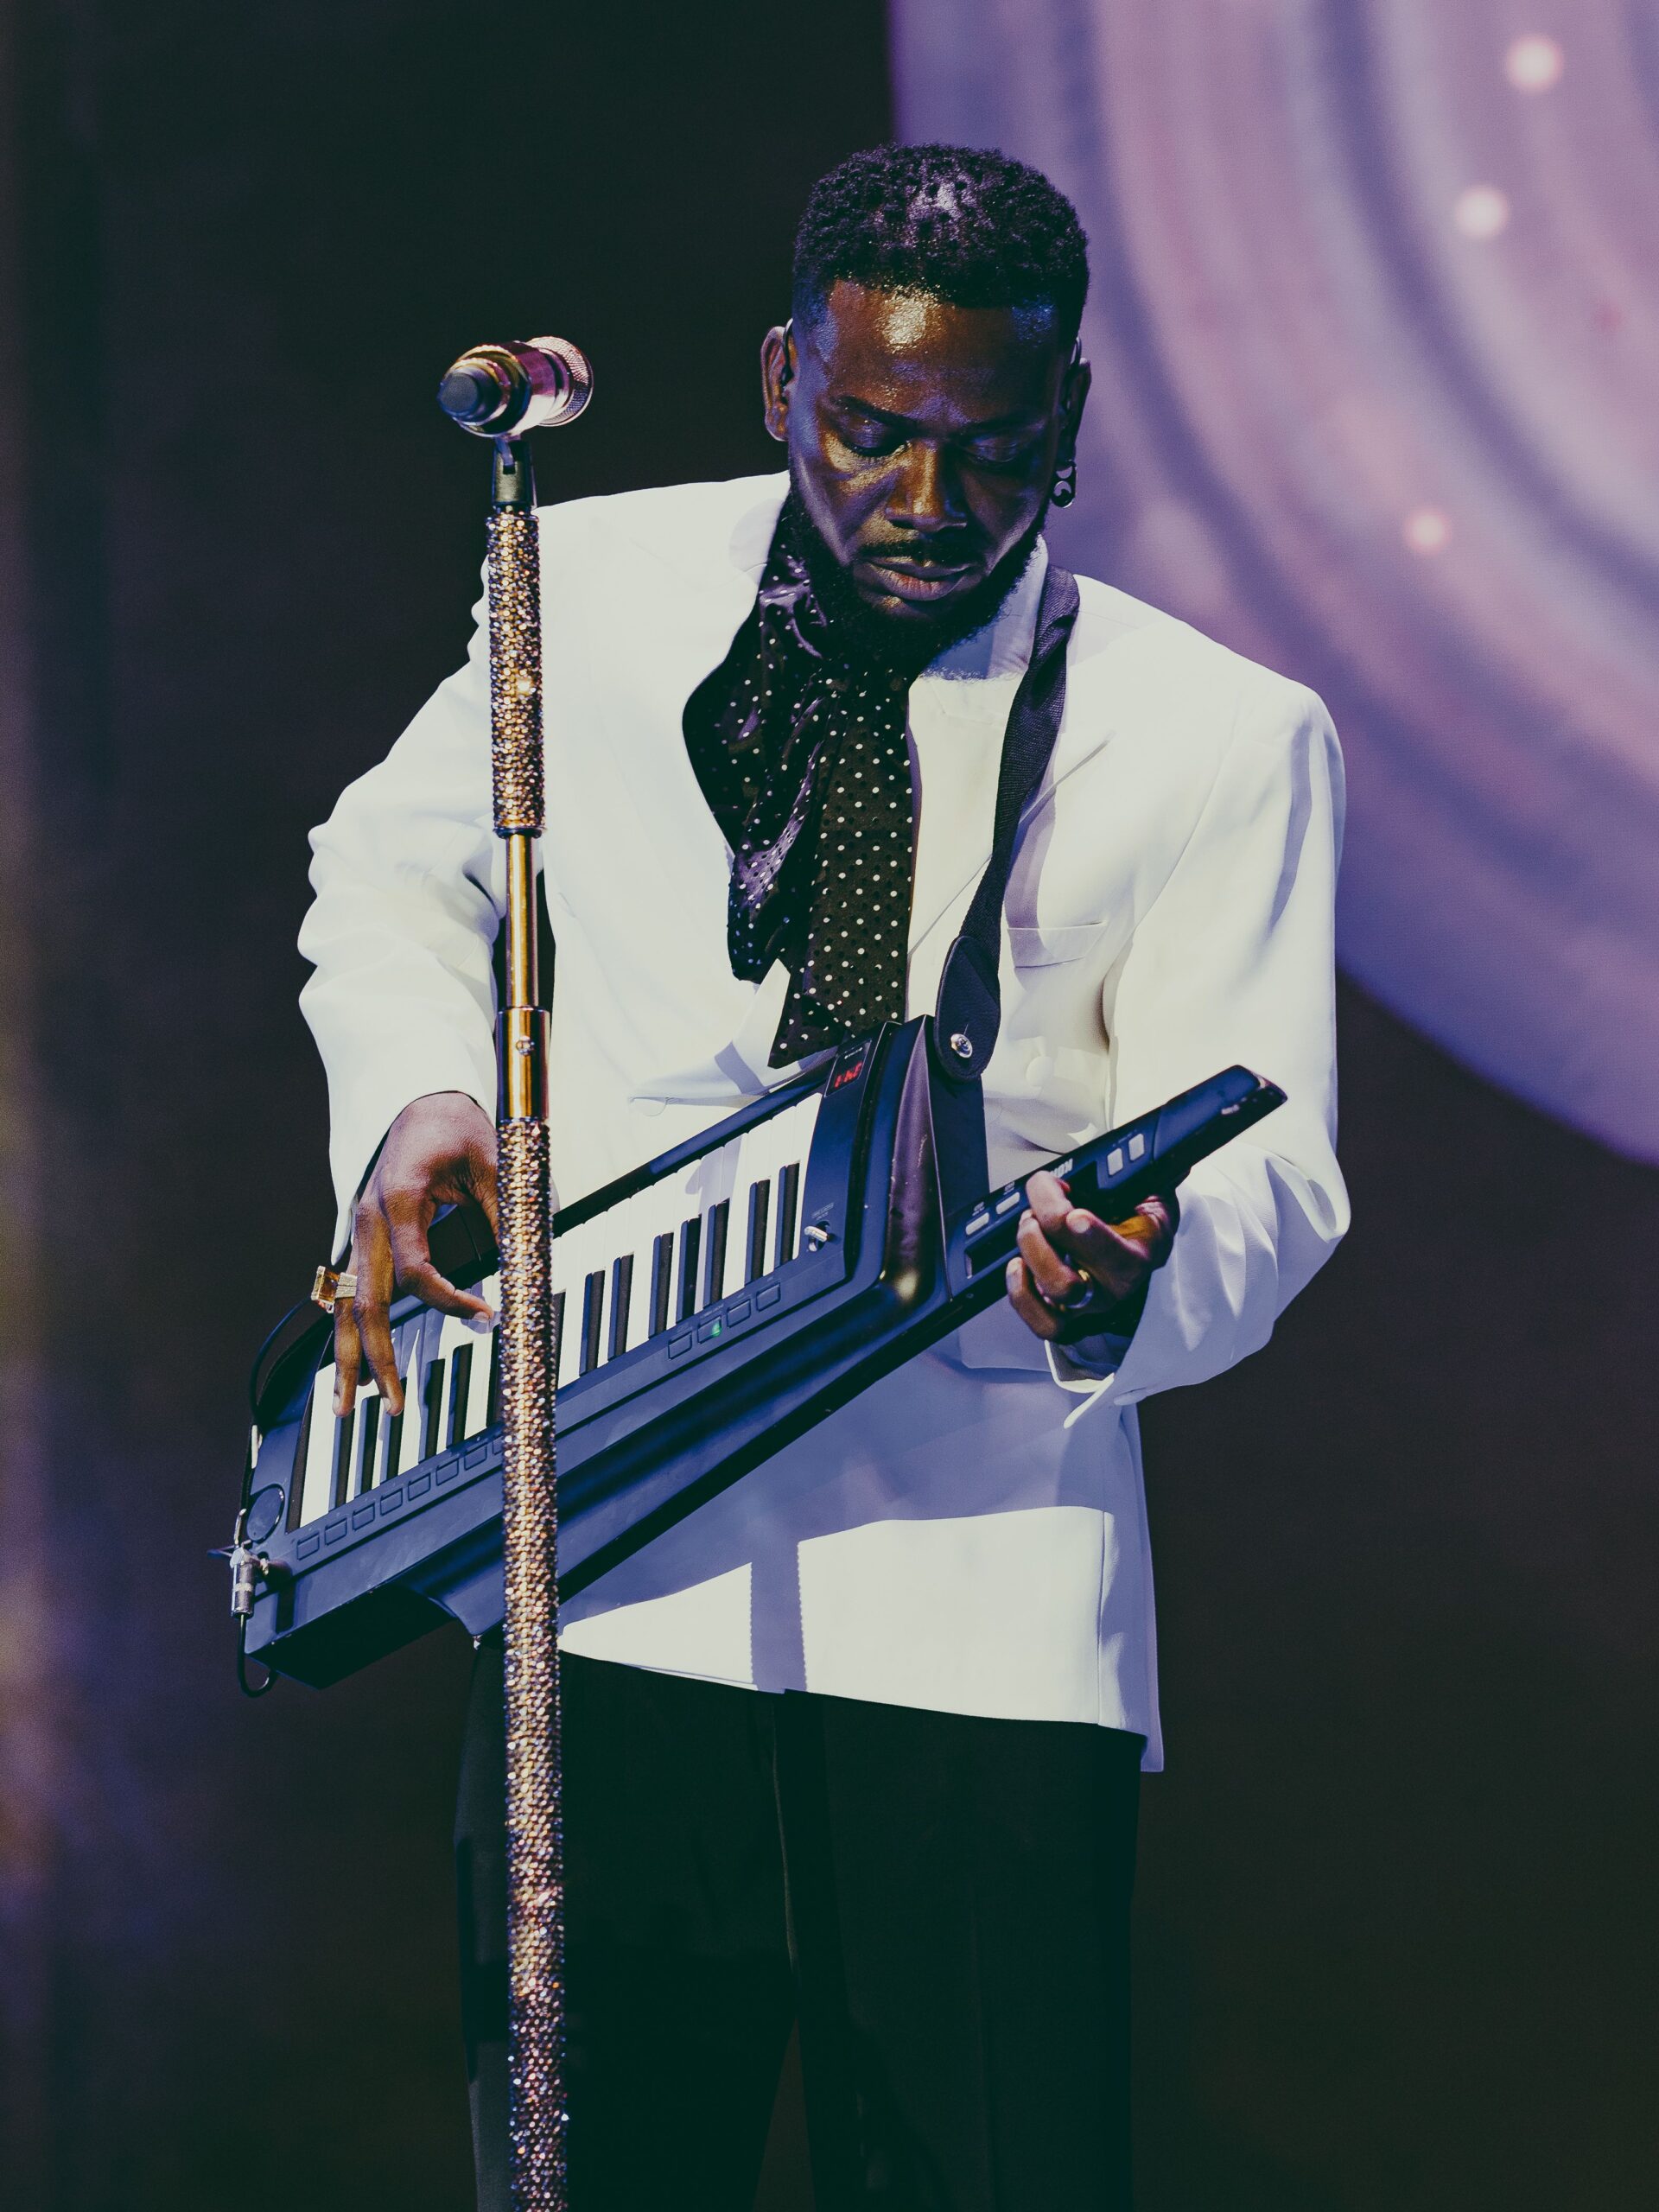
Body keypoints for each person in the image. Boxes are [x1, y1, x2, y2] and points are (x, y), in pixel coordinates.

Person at [298, 143, 1347, 2211]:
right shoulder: (580, 590)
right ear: (785, 378)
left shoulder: (1223, 735)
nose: (927, 497)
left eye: (992, 446)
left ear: (1070, 414)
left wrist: (1137, 1275)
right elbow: (391, 871)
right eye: (872, 430)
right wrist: (420, 1096)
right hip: (610, 1564)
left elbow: (1277, 1164)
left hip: (976, 1603)